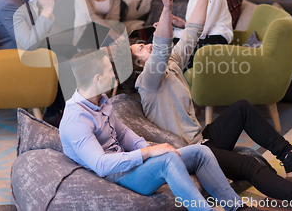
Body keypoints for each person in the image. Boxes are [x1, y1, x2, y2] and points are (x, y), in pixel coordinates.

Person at [126, 0, 292, 211]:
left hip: (203, 139)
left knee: (242, 108)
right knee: (247, 164)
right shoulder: (146, 83)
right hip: (192, 153)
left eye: (143, 44)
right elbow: (159, 48)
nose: (146, 45)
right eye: (140, 48)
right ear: (138, 64)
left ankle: (290, 157)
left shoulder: (172, 63)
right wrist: (166, 8)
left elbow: (192, 31)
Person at [59, 48, 260, 211]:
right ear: (97, 79)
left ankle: (236, 208)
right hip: (114, 176)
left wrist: (147, 148)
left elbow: (122, 133)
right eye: (109, 70)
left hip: (128, 164)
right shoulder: (76, 119)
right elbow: (101, 165)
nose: (114, 73)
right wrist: (147, 152)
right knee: (167, 160)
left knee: (201, 151)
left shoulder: (102, 101)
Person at [0, 0, 72, 126]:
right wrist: (47, 12)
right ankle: (54, 115)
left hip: (30, 47)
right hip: (9, 57)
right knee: (63, 57)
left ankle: (70, 112)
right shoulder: (9, 4)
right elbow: (28, 44)